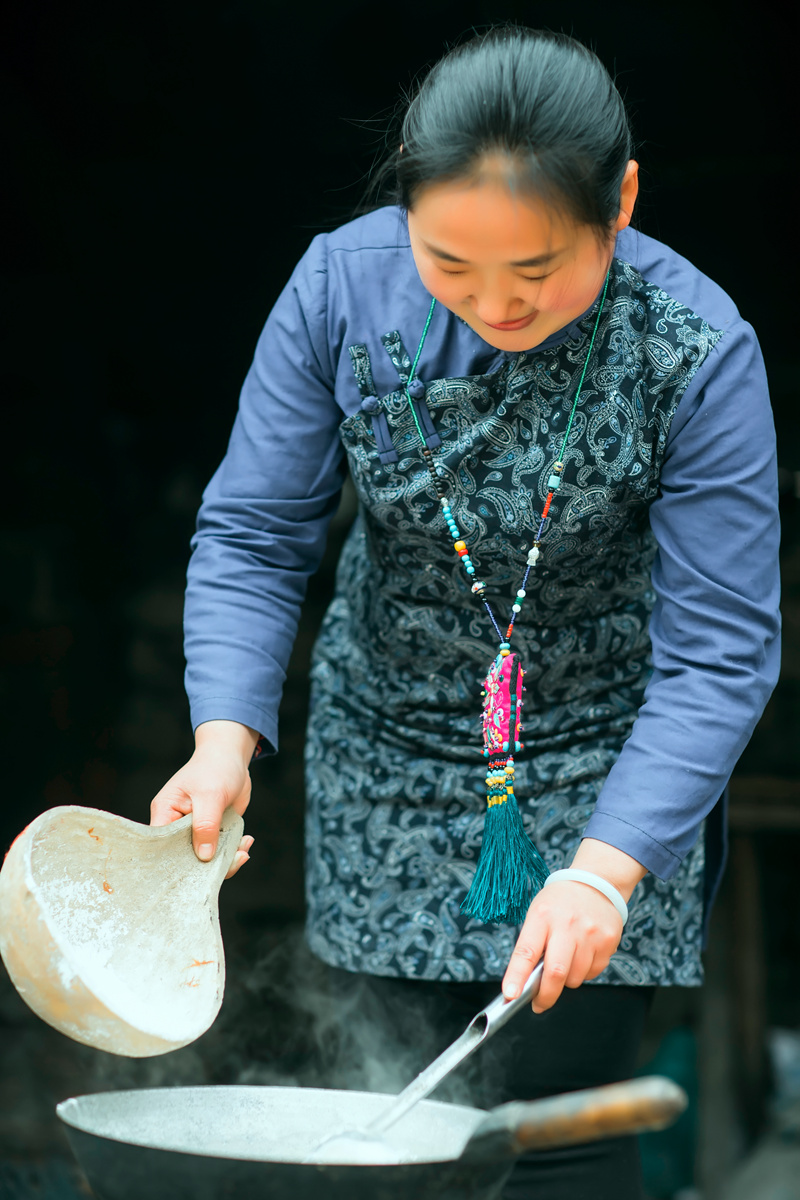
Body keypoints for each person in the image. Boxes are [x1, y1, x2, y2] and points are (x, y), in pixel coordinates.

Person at [150, 25, 780, 1200]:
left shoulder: (696, 351)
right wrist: (221, 737)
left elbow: (718, 653)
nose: (495, 302)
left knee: (558, 1133)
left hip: (606, 763)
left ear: (623, 202)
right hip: (383, 743)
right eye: (448, 263)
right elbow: (253, 529)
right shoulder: (338, 287)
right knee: (379, 1107)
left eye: (536, 272)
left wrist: (605, 870)